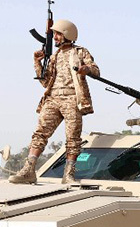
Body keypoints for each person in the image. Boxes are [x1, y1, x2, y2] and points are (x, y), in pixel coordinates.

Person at [9, 19, 100, 184]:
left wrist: (86, 69)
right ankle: (29, 170)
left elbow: (95, 70)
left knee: (73, 138)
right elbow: (45, 82)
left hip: (73, 98)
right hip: (52, 98)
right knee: (40, 133)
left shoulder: (80, 52)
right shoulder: (54, 56)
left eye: (57, 34)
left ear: (67, 34)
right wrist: (37, 62)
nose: (55, 37)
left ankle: (69, 174)